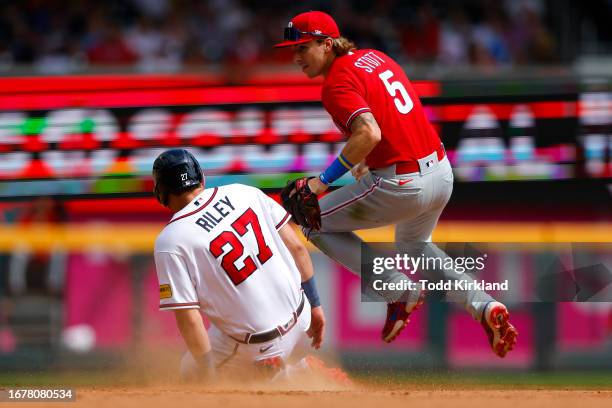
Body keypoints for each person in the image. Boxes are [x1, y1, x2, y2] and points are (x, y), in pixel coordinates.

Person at [274, 11, 517, 357]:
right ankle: (484, 306)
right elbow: (387, 121)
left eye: (302, 47)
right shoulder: (374, 57)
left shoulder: (335, 84)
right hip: (441, 172)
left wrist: (321, 183)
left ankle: (395, 289)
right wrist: (360, 163)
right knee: (413, 246)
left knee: (311, 221)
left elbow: (369, 132)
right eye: (293, 49)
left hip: (403, 182)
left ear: (327, 44)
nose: (296, 57)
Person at [152, 149, 325, 381]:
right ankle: (297, 368)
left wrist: (207, 374)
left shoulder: (171, 240)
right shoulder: (245, 192)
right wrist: (315, 305)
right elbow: (297, 248)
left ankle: (277, 372)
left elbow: (188, 317)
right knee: (227, 332)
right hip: (303, 325)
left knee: (190, 370)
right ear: (201, 178)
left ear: (161, 192)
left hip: (257, 350)